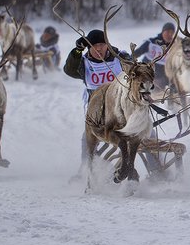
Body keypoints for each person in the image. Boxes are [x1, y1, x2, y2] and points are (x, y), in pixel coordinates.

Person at [63, 29, 126, 170]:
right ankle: (85, 169)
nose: (98, 48)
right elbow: (69, 70)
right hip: (96, 110)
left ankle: (156, 169)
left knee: (147, 132)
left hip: (120, 106)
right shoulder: (83, 63)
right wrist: (77, 51)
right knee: (87, 137)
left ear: (107, 45)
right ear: (89, 47)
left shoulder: (119, 58)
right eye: (94, 45)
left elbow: (136, 72)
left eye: (102, 44)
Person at [133, 21, 176, 90]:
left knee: (177, 84)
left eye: (172, 33)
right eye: (168, 32)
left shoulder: (175, 45)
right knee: (158, 84)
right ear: (163, 32)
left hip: (167, 73)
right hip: (151, 73)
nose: (170, 35)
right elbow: (137, 53)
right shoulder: (151, 43)